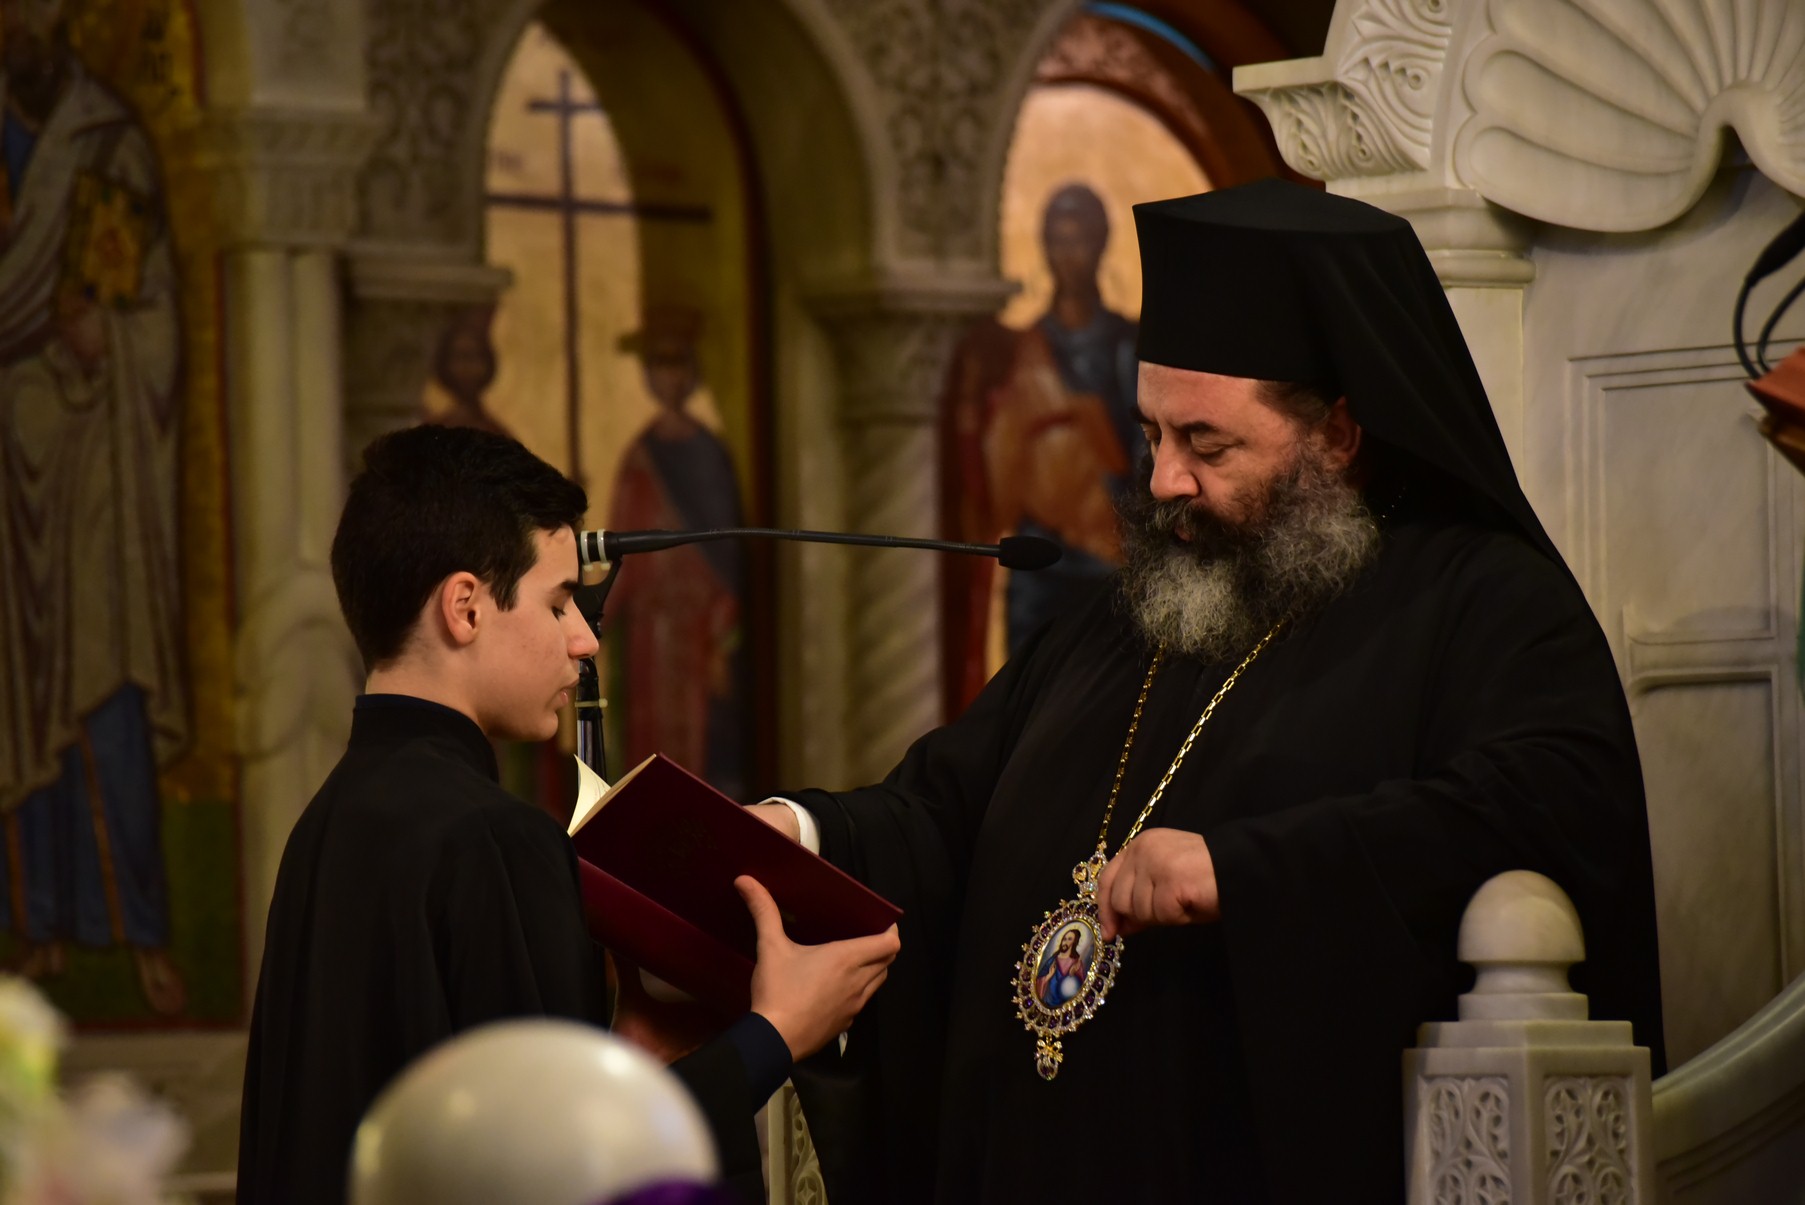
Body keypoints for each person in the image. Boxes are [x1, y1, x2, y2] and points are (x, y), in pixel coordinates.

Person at [756, 180, 1665, 1203]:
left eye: (1206, 443)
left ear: (1339, 433)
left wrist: (1242, 868)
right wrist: (796, 835)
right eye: (1151, 434)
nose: (1163, 481)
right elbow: (940, 810)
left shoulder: (1480, 599)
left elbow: (1545, 806)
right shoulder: (1130, 615)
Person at [238, 425, 898, 1205]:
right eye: (558, 603)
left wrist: (623, 1050)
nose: (584, 640)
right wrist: (777, 1032)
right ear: (464, 607)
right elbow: (561, 1170)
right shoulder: (497, 838)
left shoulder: (328, 822)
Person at [0, 0, 187, 1014]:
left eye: (30, 15)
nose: (15, 32)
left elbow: (152, 311)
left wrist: (101, 344)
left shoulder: (111, 139)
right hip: (8, 457)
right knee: (17, 698)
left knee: (105, 688)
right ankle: (38, 929)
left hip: (99, 467)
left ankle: (146, 936)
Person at [941, 184, 1140, 712]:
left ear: (1102, 243)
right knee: (1028, 704)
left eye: (1080, 240)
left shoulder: (1126, 344)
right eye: (1057, 240)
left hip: (1108, 555)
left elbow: (1147, 448)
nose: (1068, 256)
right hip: (1036, 557)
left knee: (1109, 704)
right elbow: (994, 458)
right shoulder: (1019, 351)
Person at [608, 305, 749, 798]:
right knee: (650, 741)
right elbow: (621, 551)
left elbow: (727, 553)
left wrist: (722, 632)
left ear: (693, 372)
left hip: (698, 623)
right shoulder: (640, 455)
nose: (669, 376)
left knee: (702, 739)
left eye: (678, 363)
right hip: (649, 625)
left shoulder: (709, 454)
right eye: (659, 364)